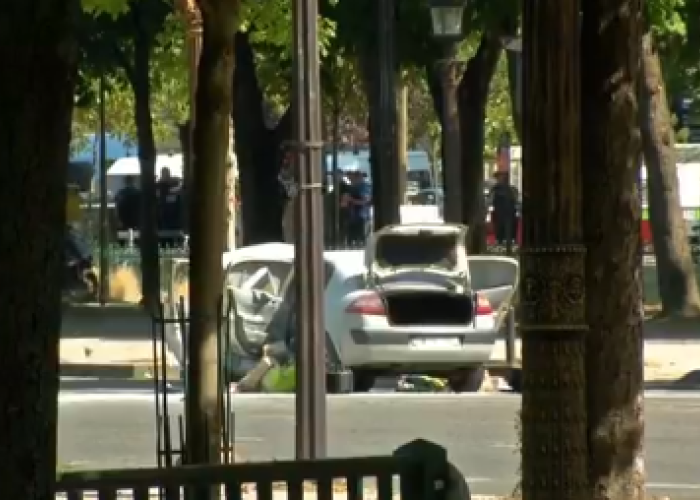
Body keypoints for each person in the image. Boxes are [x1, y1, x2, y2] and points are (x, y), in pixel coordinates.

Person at [488, 171, 519, 246]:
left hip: (506, 213)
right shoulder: (511, 189)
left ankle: (505, 245)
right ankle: (504, 244)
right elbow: (490, 201)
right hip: (504, 213)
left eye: (500, 177)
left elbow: (490, 201)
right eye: (499, 177)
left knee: (505, 231)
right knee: (503, 231)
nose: (499, 179)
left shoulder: (511, 189)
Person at [156, 167, 184, 246]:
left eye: (166, 174)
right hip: (165, 218)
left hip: (171, 219)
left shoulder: (173, 185)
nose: (165, 176)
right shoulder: (160, 185)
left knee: (169, 239)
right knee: (165, 240)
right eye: (164, 174)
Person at [347, 170, 372, 245]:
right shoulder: (353, 187)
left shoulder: (364, 187)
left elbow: (365, 201)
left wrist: (351, 200)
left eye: (353, 178)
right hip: (354, 216)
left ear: (359, 178)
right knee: (354, 237)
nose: (351, 180)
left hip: (362, 216)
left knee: (362, 237)